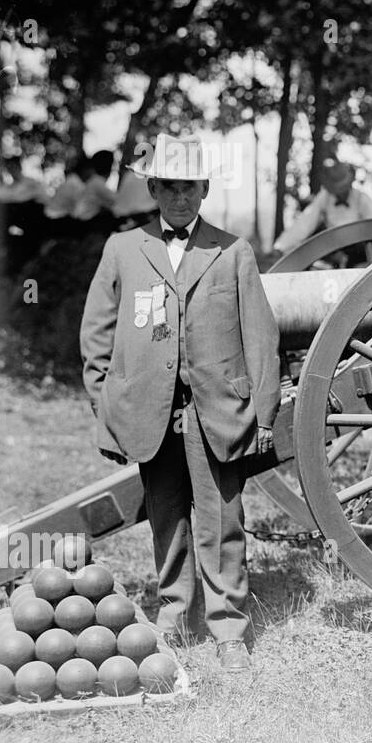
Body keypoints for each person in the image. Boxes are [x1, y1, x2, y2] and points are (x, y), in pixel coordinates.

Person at [80, 133, 280, 671]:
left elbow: (260, 337)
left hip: (217, 409)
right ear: (153, 188)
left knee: (221, 519)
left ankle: (228, 630)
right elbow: (97, 336)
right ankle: (174, 613)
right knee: (166, 515)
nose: (178, 197)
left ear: (205, 188)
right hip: (150, 409)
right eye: (167, 186)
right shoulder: (124, 248)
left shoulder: (232, 250)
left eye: (188, 186)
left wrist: (263, 412)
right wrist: (107, 409)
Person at [272, 157, 372, 257]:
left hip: (360, 251)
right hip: (333, 249)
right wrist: (280, 246)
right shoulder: (324, 197)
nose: (340, 193)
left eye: (343, 188)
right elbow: (305, 222)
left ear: (349, 185)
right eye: (337, 189)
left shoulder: (362, 199)